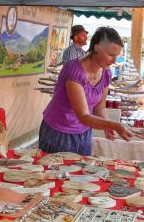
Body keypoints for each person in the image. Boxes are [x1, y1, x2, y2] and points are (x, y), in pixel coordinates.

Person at [39, 27, 133, 155]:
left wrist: (107, 127)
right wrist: (114, 125)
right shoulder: (74, 70)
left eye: (116, 56)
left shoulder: (106, 73)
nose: (114, 61)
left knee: (82, 172)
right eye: (111, 55)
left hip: (84, 132)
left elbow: (100, 108)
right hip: (59, 131)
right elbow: (83, 116)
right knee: (56, 172)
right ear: (96, 47)